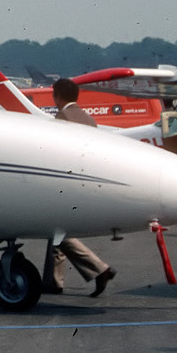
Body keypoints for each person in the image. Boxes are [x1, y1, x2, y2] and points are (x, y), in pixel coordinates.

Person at [47, 78, 117, 296]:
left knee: (57, 231)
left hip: (65, 183)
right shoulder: (89, 119)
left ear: (57, 96)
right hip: (84, 182)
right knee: (57, 232)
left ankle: (100, 269)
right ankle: (53, 282)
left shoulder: (62, 118)